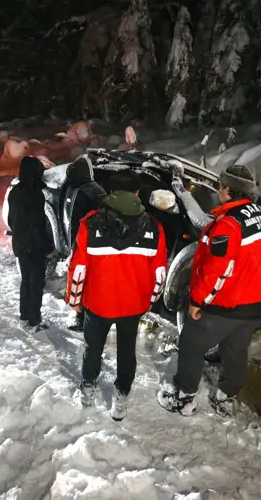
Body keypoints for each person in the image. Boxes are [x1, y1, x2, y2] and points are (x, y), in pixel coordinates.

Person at [157, 164, 261, 417]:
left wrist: (198, 302)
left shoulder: (228, 225)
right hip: (256, 305)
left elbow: (217, 270)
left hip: (229, 304)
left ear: (227, 190)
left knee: (190, 342)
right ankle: (226, 397)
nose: (219, 189)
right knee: (236, 350)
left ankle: (183, 397)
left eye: (221, 185)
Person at [66, 172, 167, 420]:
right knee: (126, 352)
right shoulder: (154, 227)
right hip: (132, 306)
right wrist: (149, 301)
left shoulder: (90, 223)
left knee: (93, 349)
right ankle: (120, 400)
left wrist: (75, 300)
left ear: (110, 194)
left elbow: (78, 269)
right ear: (136, 194)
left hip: (98, 303)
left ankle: (87, 393)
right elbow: (160, 274)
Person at [7, 156, 54, 333]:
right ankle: (34, 321)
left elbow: (12, 220)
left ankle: (25, 316)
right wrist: (47, 248)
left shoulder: (15, 191)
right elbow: (38, 225)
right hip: (33, 245)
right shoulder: (35, 194)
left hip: (19, 243)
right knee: (37, 282)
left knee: (26, 280)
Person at [63, 156, 107, 331]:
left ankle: (83, 318)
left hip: (86, 243)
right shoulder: (97, 189)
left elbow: (76, 223)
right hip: (100, 242)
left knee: (83, 279)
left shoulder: (81, 192)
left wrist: (74, 246)